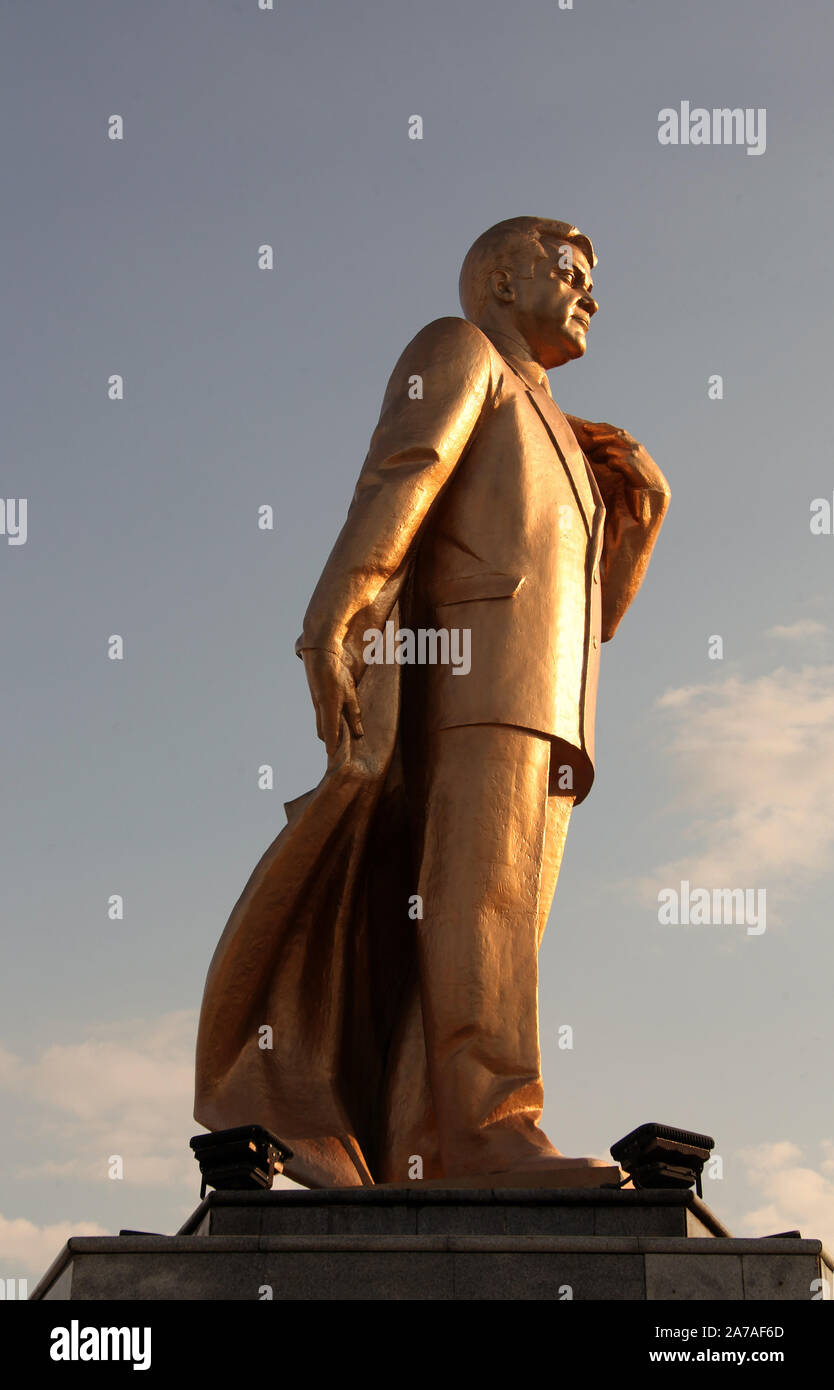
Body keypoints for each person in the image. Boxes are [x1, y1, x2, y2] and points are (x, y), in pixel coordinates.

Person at [194, 217, 671, 1188]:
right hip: (473, 686)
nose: (589, 294)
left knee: (489, 936)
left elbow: (596, 620)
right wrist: (332, 615)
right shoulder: (461, 353)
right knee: (479, 908)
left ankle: (429, 1145)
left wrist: (640, 518)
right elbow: (400, 477)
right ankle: (494, 1130)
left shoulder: (571, 438)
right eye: (568, 272)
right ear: (501, 278)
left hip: (548, 709)